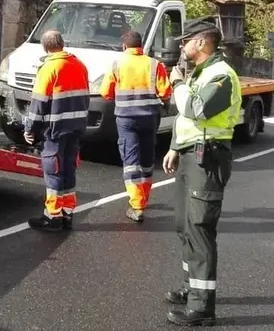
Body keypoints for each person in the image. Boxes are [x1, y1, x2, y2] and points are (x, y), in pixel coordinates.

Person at [161, 17, 242, 327]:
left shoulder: (222, 76)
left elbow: (196, 110)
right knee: (184, 225)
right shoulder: (203, 72)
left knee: (200, 229)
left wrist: (179, 83)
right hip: (190, 154)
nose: (182, 45)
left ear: (201, 43)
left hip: (208, 159)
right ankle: (190, 287)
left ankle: (202, 308)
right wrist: (173, 147)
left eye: (186, 40)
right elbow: (186, 121)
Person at [99, 30, 172, 222]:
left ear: (124, 47)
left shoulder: (117, 64)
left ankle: (137, 205)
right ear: (141, 46)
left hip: (126, 119)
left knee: (131, 160)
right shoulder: (154, 64)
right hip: (150, 118)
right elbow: (165, 92)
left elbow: (105, 93)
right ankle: (143, 197)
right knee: (147, 158)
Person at [23, 30, 90, 232]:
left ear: (45, 47)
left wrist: (30, 129)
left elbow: (39, 103)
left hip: (56, 129)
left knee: (53, 171)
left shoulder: (50, 68)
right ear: (62, 43)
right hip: (76, 127)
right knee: (69, 169)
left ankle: (53, 217)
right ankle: (67, 213)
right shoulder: (79, 65)